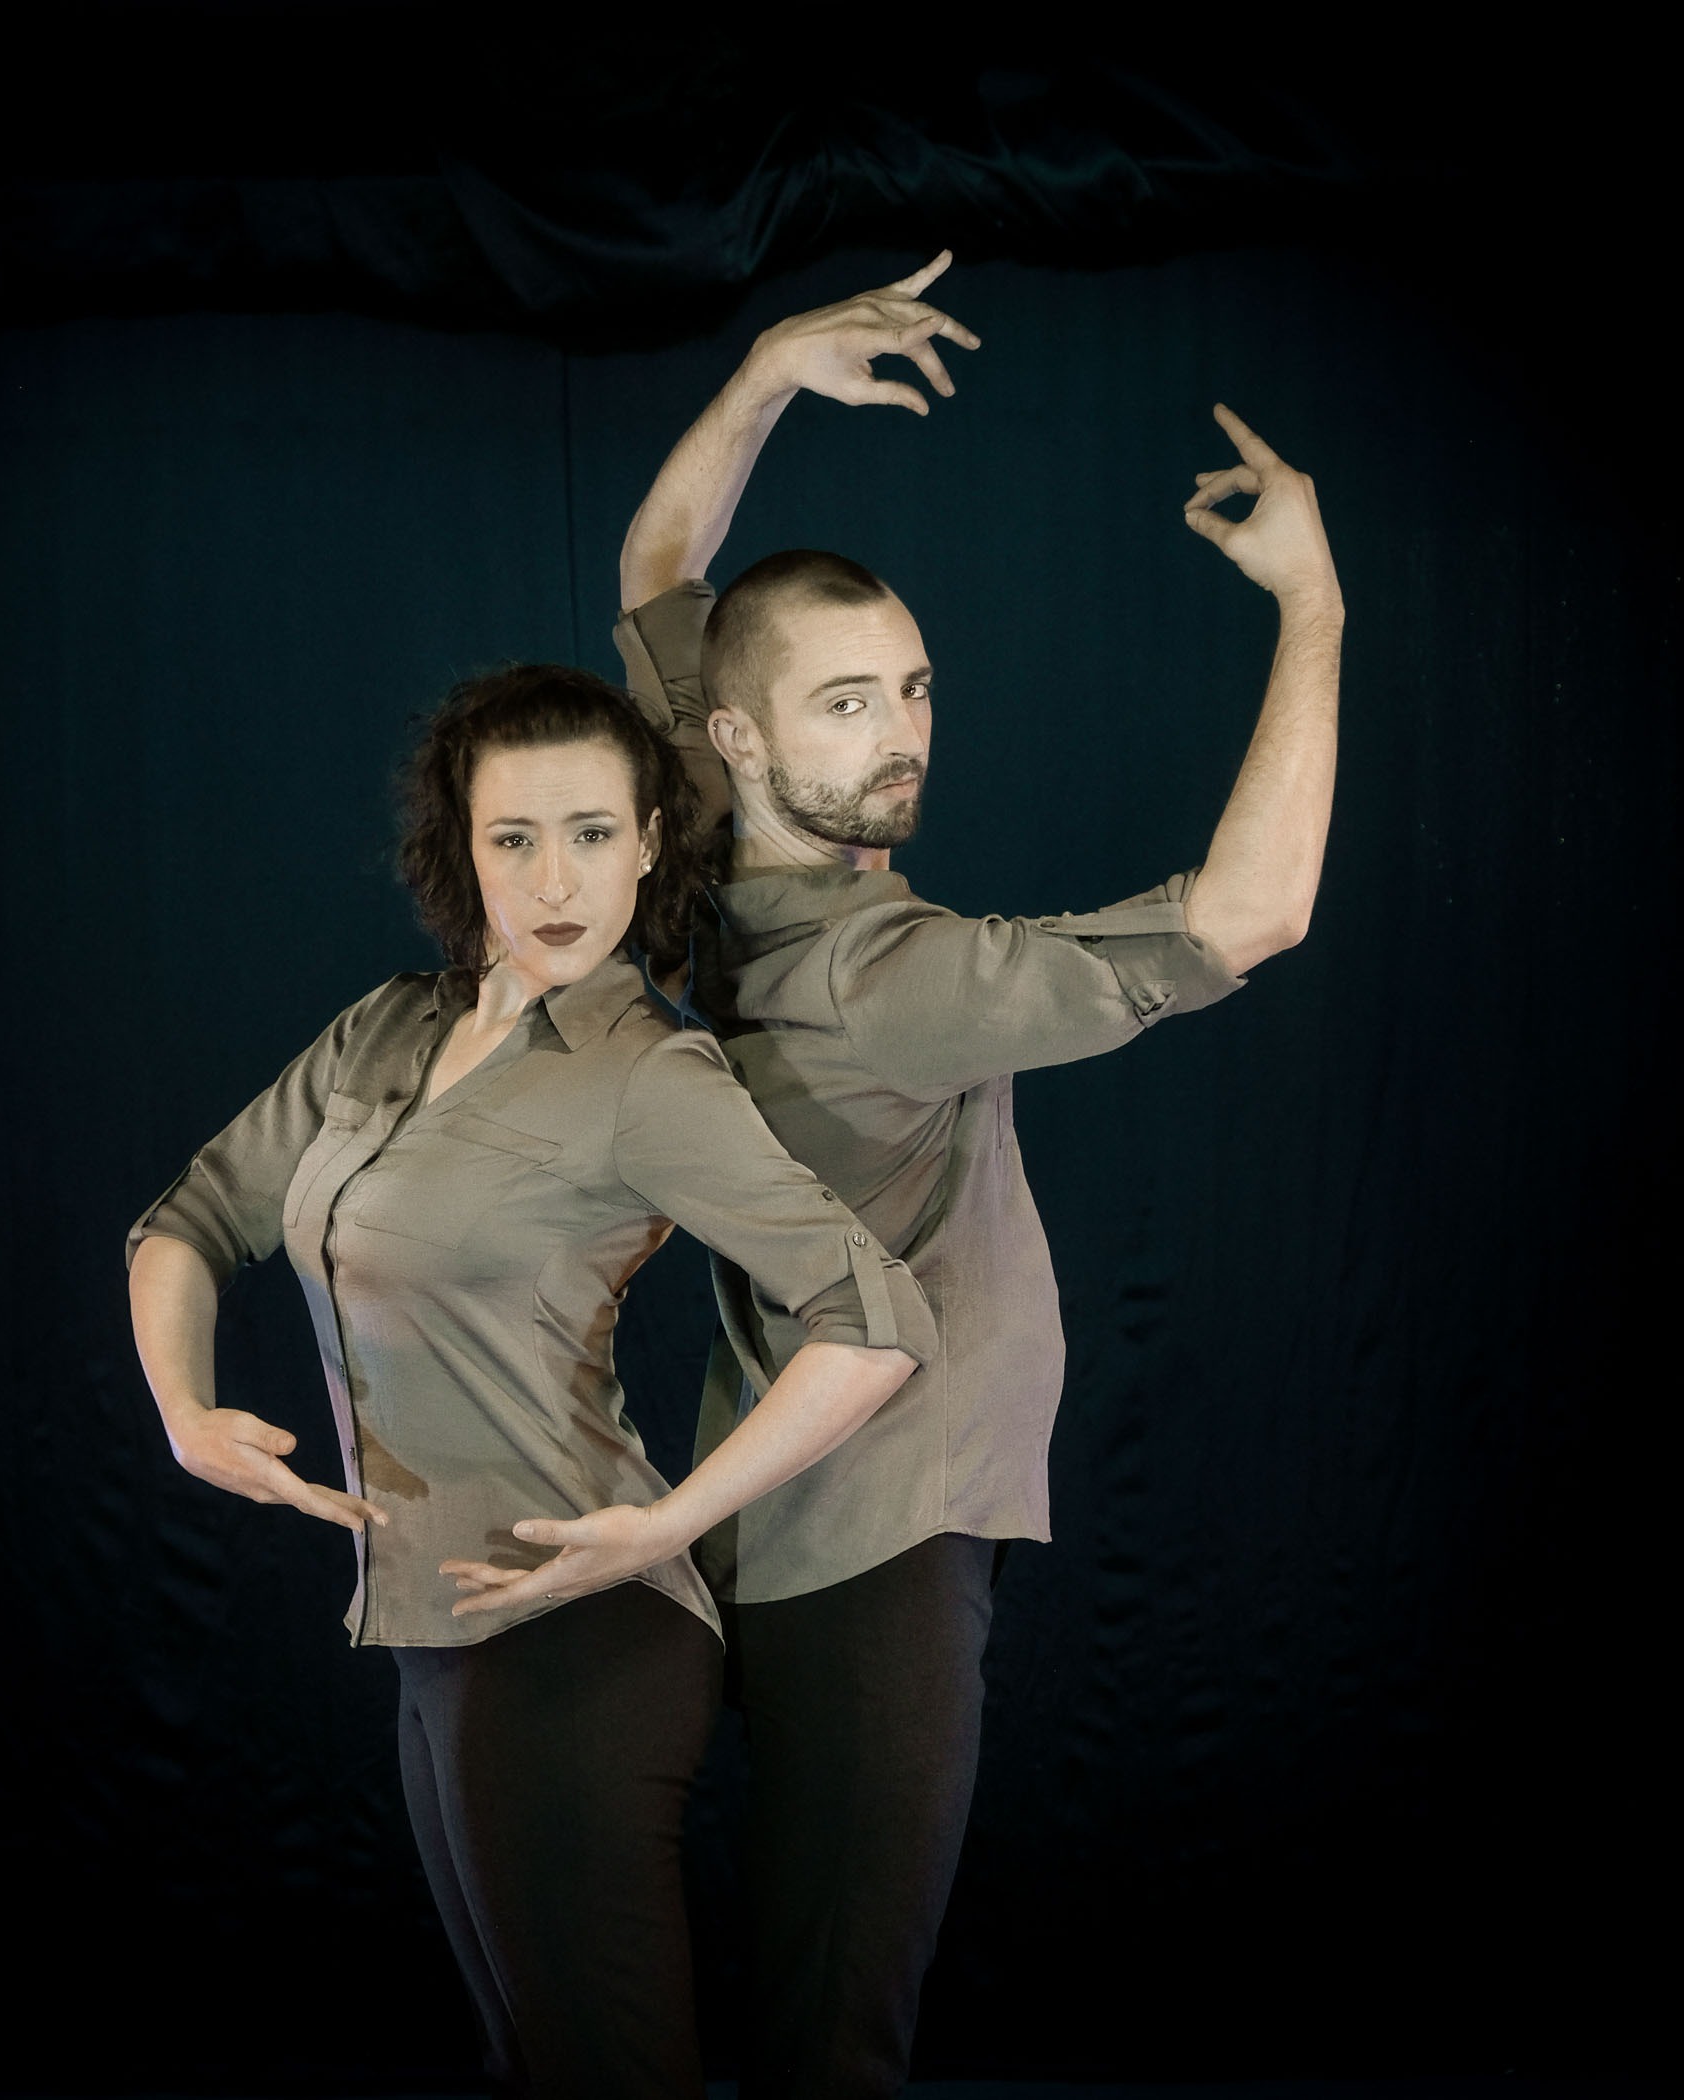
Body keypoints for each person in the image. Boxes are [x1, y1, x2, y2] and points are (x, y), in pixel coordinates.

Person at [613, 253, 1342, 2095]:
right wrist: (1314, 607)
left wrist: (766, 369)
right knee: (836, 2034)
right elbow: (1253, 914)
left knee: (795, 2006)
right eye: (849, 703)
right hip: (881, 1538)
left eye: (915, 688)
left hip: (768, 1504)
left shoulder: (703, 837)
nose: (904, 733)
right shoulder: (890, 978)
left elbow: (660, 571)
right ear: (744, 735)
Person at [125, 664, 937, 2100]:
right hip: (436, 1633)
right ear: (464, 847)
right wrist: (186, 1414)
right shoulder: (388, 1029)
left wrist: (671, 1523)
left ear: (649, 842)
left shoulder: (651, 1077)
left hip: (577, 1640)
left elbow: (876, 1321)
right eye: (514, 838)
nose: (555, 881)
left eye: (591, 833)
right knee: (534, 2065)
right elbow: (189, 1220)